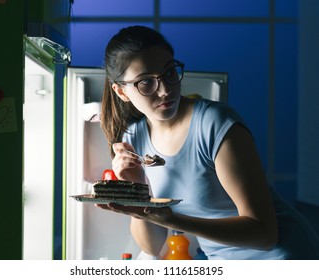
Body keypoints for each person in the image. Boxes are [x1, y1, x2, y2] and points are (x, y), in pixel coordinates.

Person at [98, 25, 319, 260]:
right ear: (121, 91)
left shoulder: (213, 123)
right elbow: (152, 247)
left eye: (170, 72)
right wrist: (138, 194)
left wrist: (173, 219)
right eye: (145, 82)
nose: (164, 90)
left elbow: (264, 235)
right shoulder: (134, 139)